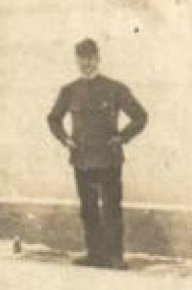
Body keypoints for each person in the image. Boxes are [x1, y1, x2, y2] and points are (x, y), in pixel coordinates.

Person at [46, 38, 149, 269]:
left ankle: (114, 257)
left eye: (91, 59)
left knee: (111, 208)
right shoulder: (69, 91)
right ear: (76, 61)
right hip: (82, 160)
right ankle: (94, 255)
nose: (87, 64)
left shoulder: (115, 89)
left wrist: (122, 137)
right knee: (88, 209)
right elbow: (53, 119)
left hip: (109, 160)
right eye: (82, 59)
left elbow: (140, 116)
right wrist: (65, 139)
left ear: (98, 59)